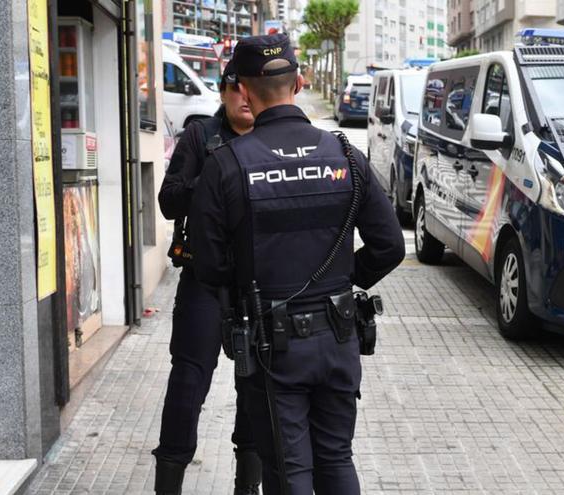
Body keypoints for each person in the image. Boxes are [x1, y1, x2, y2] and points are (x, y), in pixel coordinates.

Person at [189, 33, 405, 494]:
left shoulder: (227, 164)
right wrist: (341, 283)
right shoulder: (346, 156)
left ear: (243, 90)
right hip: (340, 334)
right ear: (301, 83)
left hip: (273, 344)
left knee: (289, 472)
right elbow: (389, 246)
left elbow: (207, 267)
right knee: (336, 458)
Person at [153, 62, 262, 495]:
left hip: (256, 286)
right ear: (224, 92)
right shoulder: (201, 136)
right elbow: (167, 200)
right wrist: (212, 180)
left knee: (255, 388)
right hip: (202, 281)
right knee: (187, 382)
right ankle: (169, 484)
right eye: (237, 89)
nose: (245, 98)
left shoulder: (273, 139)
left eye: (252, 89)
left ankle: (247, 487)